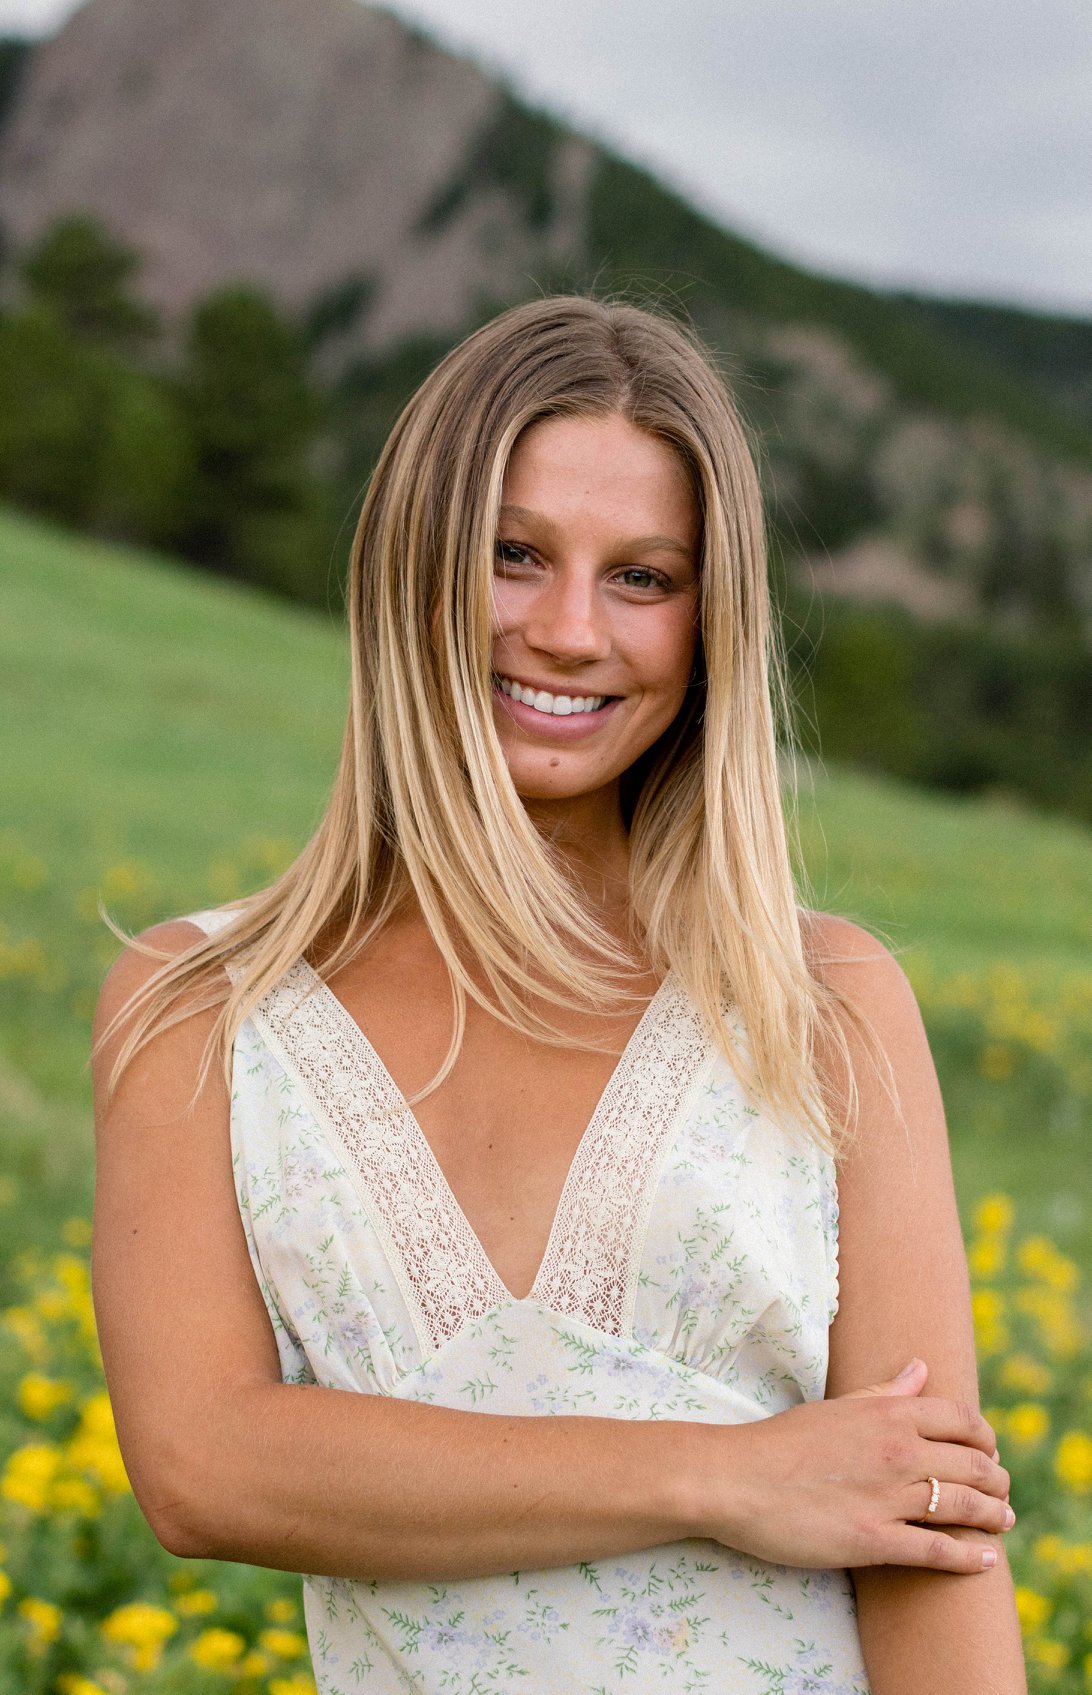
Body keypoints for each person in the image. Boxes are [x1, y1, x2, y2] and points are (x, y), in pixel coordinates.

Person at [91, 295, 1025, 1694]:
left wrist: (818, 1483)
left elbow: (923, 1520)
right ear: (411, 568)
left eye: (644, 577)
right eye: (513, 555)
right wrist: (732, 1476)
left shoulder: (823, 1003)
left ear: (711, 623)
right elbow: (204, 1467)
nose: (570, 631)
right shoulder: (201, 1009)